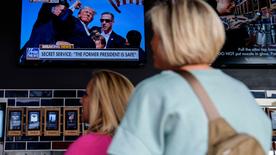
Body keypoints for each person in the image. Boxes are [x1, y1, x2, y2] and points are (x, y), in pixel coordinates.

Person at [108, 0, 272, 155]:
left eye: (157, 33)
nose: (151, 42)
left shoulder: (155, 91)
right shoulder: (242, 93)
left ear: (173, 38)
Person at [65, 70, 134, 155]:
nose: (81, 100)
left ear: (101, 102)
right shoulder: (138, 143)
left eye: (86, 94)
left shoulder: (87, 146)